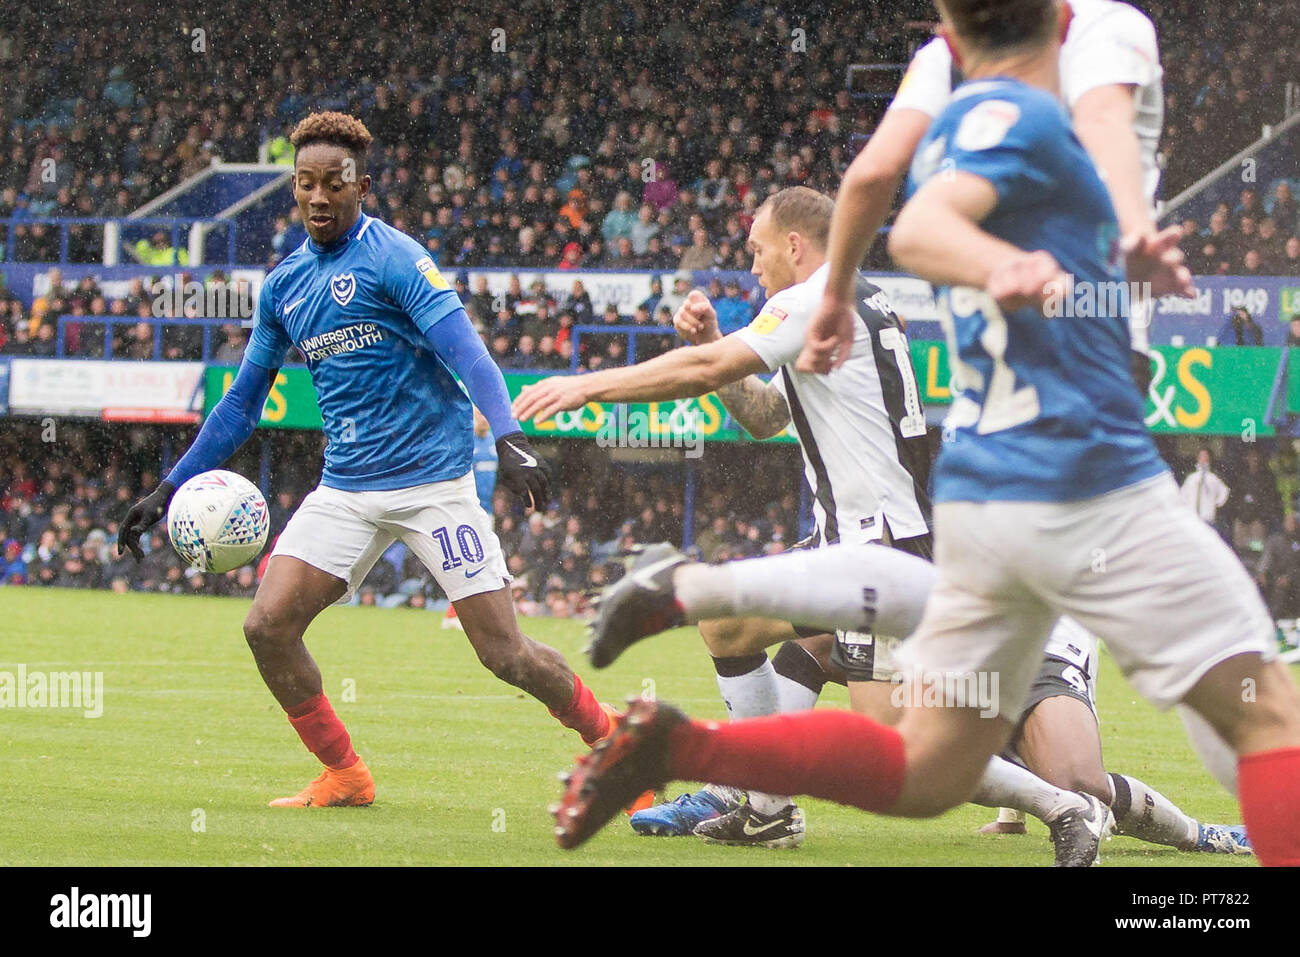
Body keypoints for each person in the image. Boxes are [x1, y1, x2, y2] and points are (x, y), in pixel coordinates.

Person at [552, 0, 1300, 868]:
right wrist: (1118, 227)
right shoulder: (1083, 54)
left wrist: (834, 295)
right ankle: (708, 600)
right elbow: (1097, 120)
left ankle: (690, 740)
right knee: (1263, 716)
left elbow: (882, 193)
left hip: (981, 496)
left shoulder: (939, 71)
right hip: (1093, 478)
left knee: (927, 765)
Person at [117, 112, 624, 810]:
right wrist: (169, 486)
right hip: (347, 489)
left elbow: (466, 350)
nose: (319, 197)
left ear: (362, 186)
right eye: (305, 185)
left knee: (505, 655)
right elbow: (241, 405)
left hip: (435, 485)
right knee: (267, 626)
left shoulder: (396, 259)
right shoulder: (285, 285)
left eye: (334, 183)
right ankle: (346, 774)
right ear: (292, 190)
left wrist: (506, 435)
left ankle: (615, 746)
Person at [517, 186, 935, 848]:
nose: (753, 265)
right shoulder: (863, 296)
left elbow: (708, 368)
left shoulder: (809, 299)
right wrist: (716, 339)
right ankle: (763, 803)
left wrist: (588, 385)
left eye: (758, 249)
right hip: (862, 537)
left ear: (795, 245)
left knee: (899, 758)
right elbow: (768, 415)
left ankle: (1065, 794)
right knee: (730, 623)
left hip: (878, 545)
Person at [1180, 447, 1230, 529]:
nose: (1203, 459)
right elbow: (1183, 494)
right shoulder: (1191, 478)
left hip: (1208, 518)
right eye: (1201, 456)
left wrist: (1216, 503)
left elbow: (1224, 492)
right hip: (1192, 518)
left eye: (1205, 456)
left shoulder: (1213, 478)